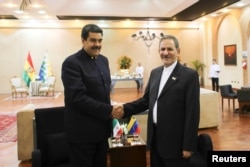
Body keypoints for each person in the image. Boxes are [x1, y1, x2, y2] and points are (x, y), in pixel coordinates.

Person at [120, 35, 200, 167]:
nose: (165, 53)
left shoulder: (189, 75)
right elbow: (146, 101)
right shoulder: (155, 73)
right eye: (162, 49)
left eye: (170, 49)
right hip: (155, 140)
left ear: (178, 51)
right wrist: (124, 109)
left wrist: (189, 145)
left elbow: (193, 112)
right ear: (158, 51)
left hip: (177, 144)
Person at [61, 24, 123, 167]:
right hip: (81, 133)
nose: (97, 45)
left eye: (100, 41)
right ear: (83, 41)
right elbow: (78, 98)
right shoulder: (71, 63)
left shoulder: (103, 60)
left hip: (101, 131)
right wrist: (109, 110)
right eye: (93, 40)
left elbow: (103, 92)